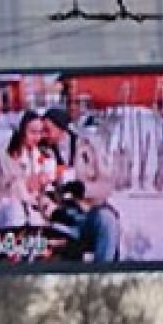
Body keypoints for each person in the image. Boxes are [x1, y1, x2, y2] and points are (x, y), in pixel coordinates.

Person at [41, 107, 120, 262]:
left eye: (47, 129)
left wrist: (84, 189)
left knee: (107, 220)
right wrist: (53, 210)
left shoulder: (88, 149)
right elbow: (37, 193)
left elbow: (107, 185)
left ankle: (103, 272)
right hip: (58, 217)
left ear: (61, 129)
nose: (44, 134)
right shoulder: (41, 152)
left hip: (87, 212)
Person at [0, 110, 53, 233]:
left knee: (37, 218)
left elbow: (44, 187)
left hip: (33, 207)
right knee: (16, 213)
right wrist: (24, 184)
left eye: (40, 132)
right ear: (21, 131)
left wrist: (44, 182)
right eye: (33, 132)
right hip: (3, 204)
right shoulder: (3, 153)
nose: (37, 137)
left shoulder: (40, 153)